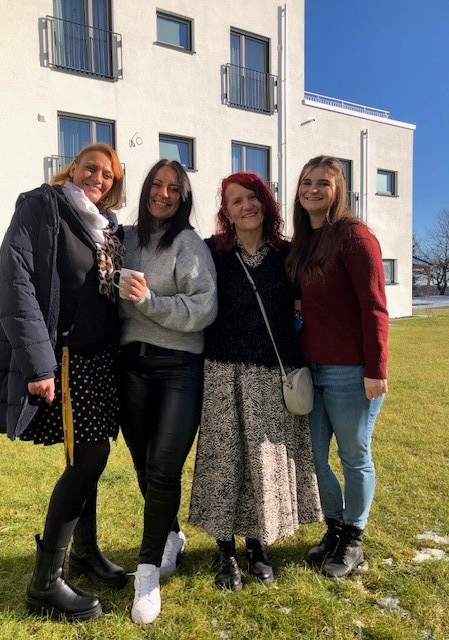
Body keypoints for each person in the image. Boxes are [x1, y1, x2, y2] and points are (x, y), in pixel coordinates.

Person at [0, 143, 128, 621]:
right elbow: (14, 282)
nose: (97, 178)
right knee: (89, 458)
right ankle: (45, 582)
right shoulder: (42, 207)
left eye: (107, 174)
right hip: (63, 359)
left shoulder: (106, 227)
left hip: (98, 360)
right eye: (90, 169)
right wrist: (39, 366)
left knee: (90, 455)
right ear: (72, 169)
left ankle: (85, 551)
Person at [189, 171, 322, 591]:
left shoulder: (288, 254)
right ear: (226, 212)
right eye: (236, 201)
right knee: (224, 461)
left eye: (252, 197)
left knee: (262, 462)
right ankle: (225, 549)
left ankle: (257, 543)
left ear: (265, 201)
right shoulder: (212, 252)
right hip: (222, 372)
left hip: (271, 375)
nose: (246, 206)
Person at [117, 159, 217, 624]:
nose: (163, 194)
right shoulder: (125, 239)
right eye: (157, 185)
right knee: (143, 464)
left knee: (163, 468)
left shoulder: (188, 243)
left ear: (184, 196)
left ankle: (147, 573)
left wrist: (149, 302)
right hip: (130, 366)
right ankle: (171, 536)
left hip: (179, 368)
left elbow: (203, 309)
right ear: (145, 190)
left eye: (174, 188)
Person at [285, 156, 389, 578]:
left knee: (353, 456)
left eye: (322, 183)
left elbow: (374, 306)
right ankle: (334, 527)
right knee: (312, 457)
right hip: (311, 369)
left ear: (338, 190)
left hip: (350, 371)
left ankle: (353, 538)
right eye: (306, 182)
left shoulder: (355, 237)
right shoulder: (303, 241)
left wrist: (375, 367)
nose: (312, 189)